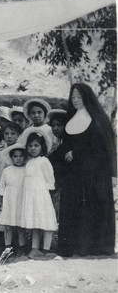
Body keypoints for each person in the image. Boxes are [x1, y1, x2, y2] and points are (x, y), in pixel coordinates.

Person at [58, 83, 116, 257]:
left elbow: (101, 146)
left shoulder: (98, 118)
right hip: (74, 172)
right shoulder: (71, 118)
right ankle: (74, 247)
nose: (75, 100)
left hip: (94, 172)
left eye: (79, 97)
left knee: (92, 205)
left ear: (86, 97)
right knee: (74, 205)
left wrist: (76, 153)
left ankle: (95, 247)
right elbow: (66, 144)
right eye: (73, 97)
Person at [21, 130, 57, 259]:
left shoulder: (44, 161)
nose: (32, 148)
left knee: (46, 221)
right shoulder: (29, 162)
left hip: (42, 196)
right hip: (31, 197)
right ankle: (34, 248)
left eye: (36, 145)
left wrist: (46, 193)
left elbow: (50, 179)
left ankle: (46, 249)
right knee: (35, 222)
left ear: (42, 147)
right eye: (30, 146)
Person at [0, 143, 28, 255]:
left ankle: (22, 247)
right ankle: (7, 248)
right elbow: (2, 188)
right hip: (9, 201)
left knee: (20, 226)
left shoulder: (27, 170)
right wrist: (0, 202)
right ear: (11, 158)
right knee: (8, 226)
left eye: (21, 156)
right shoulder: (7, 171)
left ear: (25, 157)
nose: (18, 158)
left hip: (21, 200)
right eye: (15, 156)